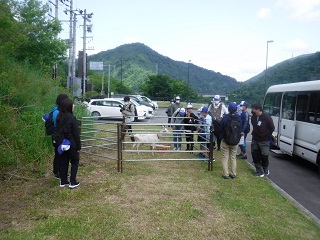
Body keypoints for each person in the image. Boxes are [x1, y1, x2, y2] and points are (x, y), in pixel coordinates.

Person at [55, 98, 81, 188]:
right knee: (75, 161)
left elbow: (57, 131)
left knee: (63, 161)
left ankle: (63, 181)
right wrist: (78, 146)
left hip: (61, 143)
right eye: (72, 104)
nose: (74, 106)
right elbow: (76, 133)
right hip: (71, 143)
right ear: (68, 106)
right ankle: (72, 182)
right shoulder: (72, 117)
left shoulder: (59, 116)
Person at [251, 102, 275, 177]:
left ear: (258, 109)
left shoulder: (267, 117)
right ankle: (259, 171)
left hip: (264, 140)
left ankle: (265, 168)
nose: (252, 111)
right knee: (255, 155)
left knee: (264, 155)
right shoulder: (253, 117)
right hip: (255, 139)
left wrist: (266, 135)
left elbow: (272, 128)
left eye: (253, 109)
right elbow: (254, 126)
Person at [48, 93, 69, 179]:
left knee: (61, 153)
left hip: (60, 135)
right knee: (59, 154)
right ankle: (57, 172)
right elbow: (59, 124)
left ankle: (60, 171)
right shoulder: (56, 111)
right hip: (58, 136)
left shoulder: (58, 109)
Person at [220, 102, 242, 179]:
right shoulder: (238, 117)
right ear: (236, 109)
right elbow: (240, 129)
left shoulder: (225, 117)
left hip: (225, 140)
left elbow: (221, 127)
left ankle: (225, 174)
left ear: (228, 109)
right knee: (233, 158)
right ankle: (233, 174)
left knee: (225, 158)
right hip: (235, 141)